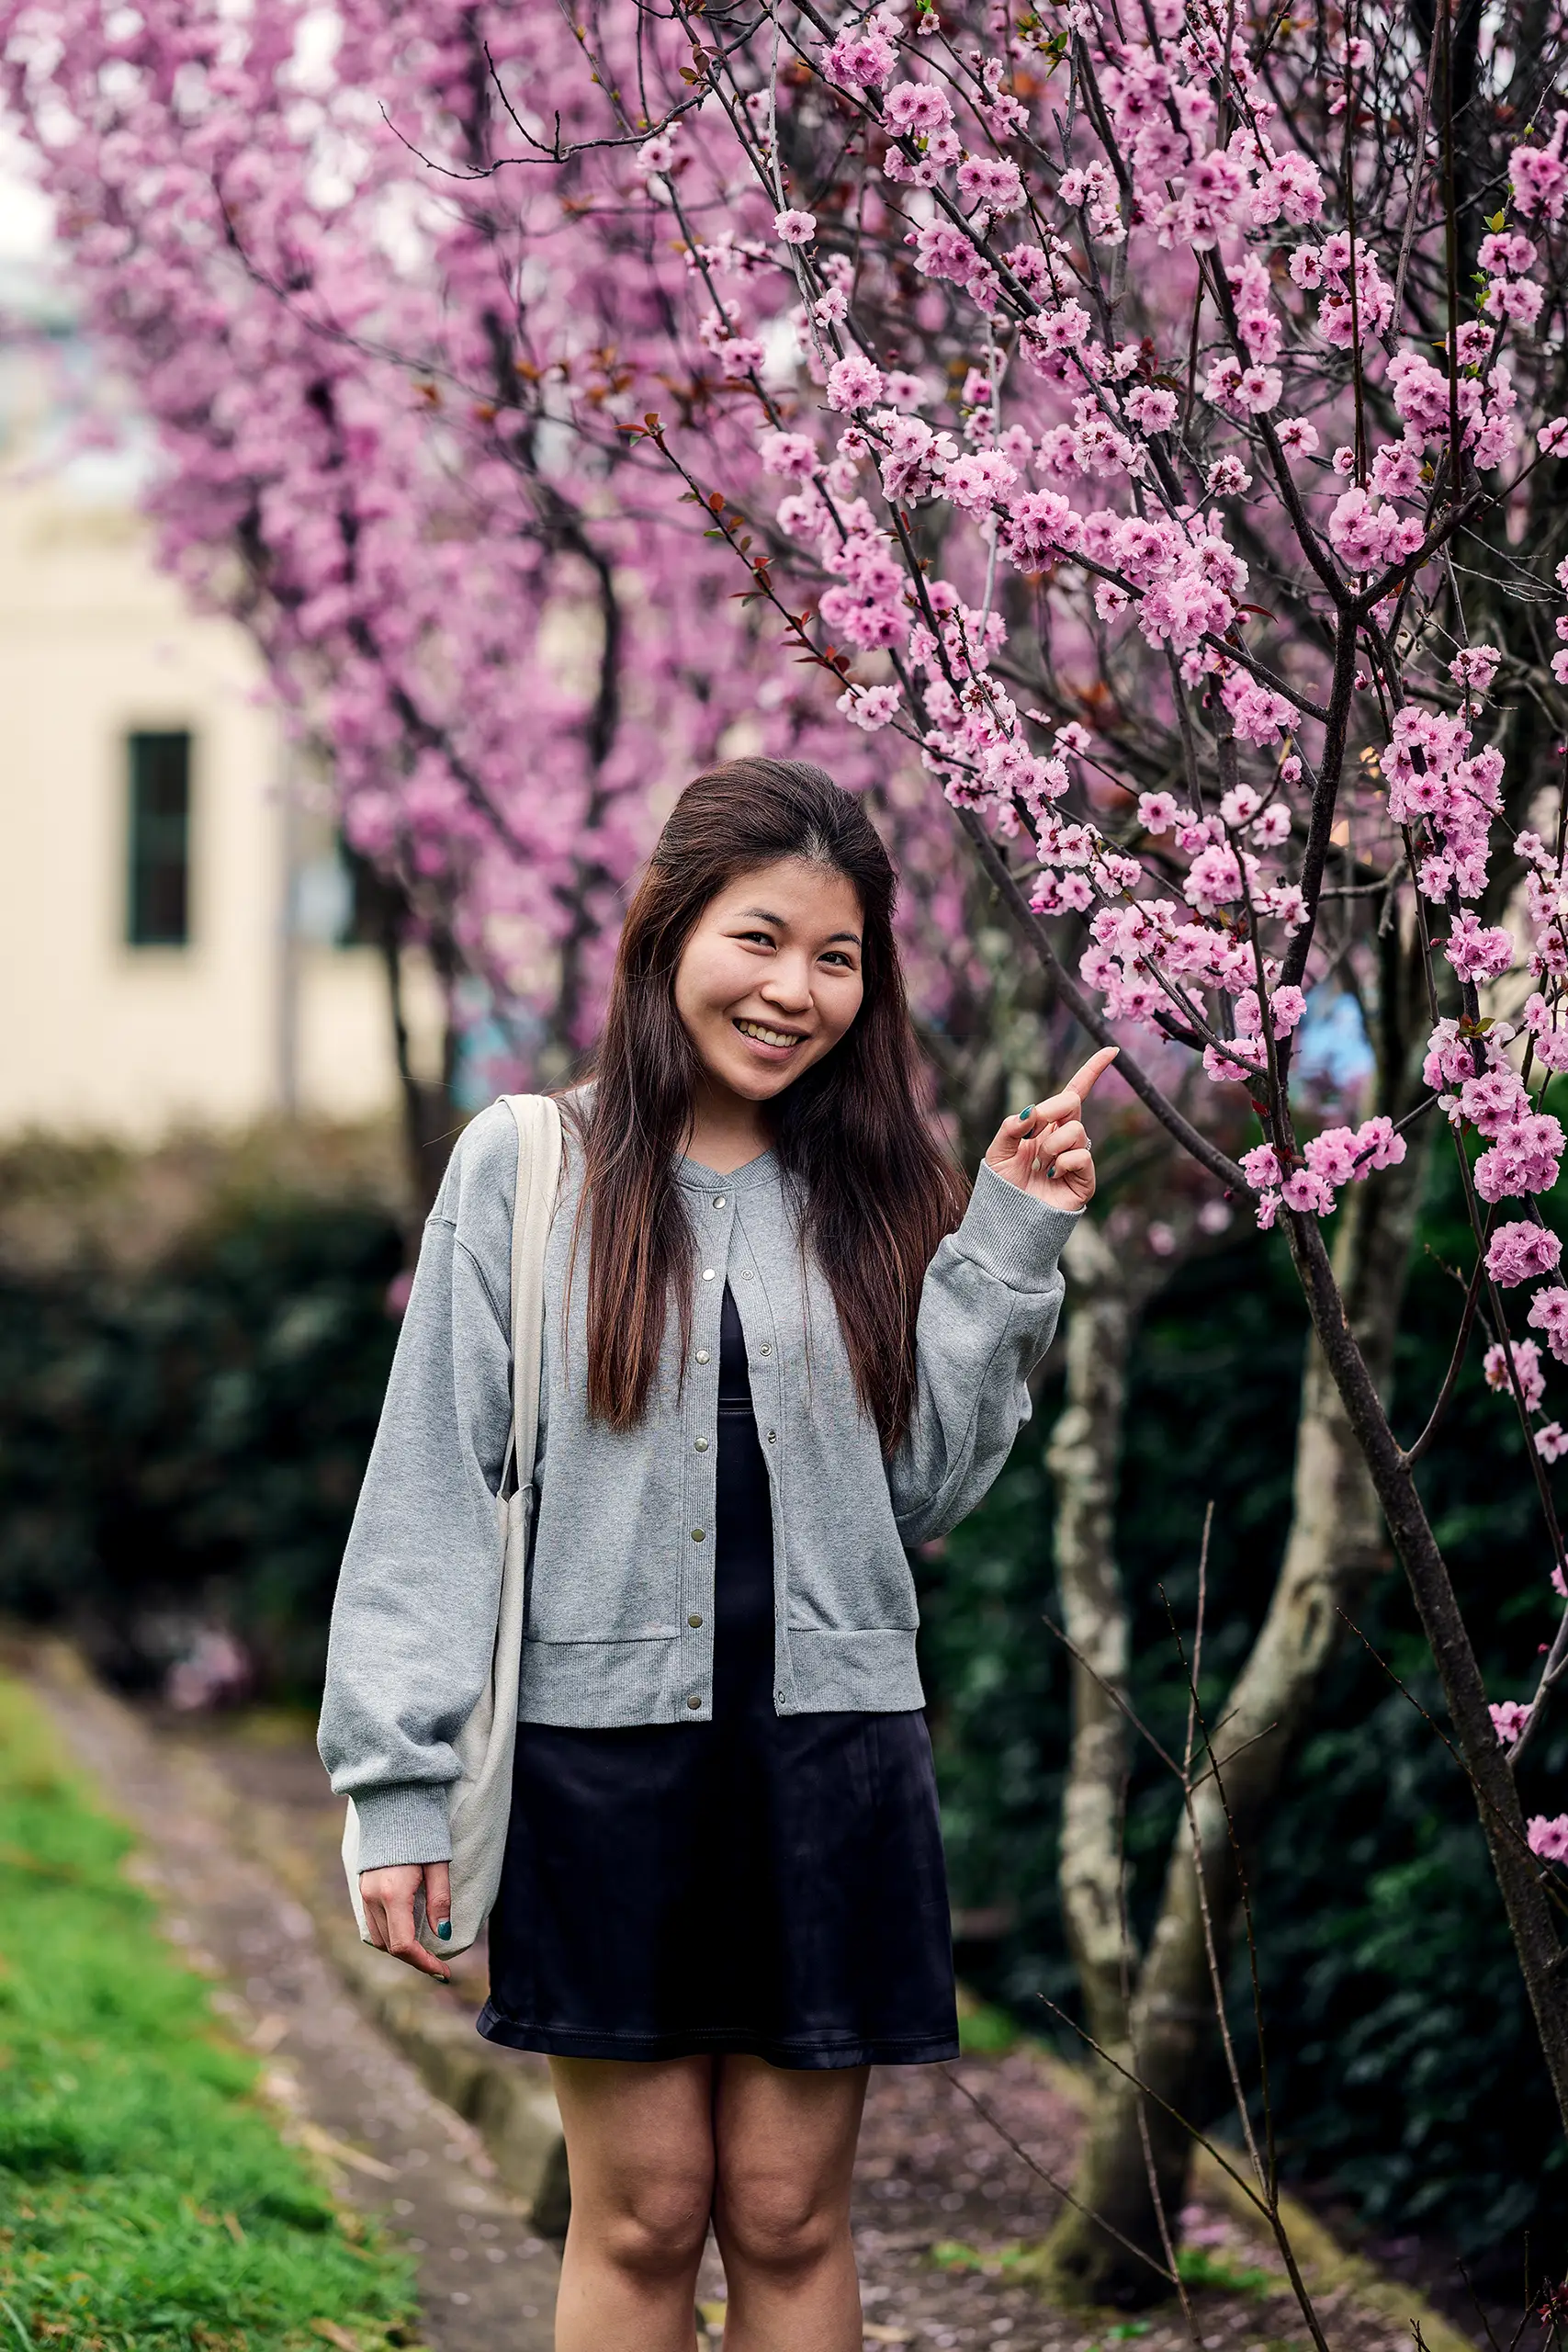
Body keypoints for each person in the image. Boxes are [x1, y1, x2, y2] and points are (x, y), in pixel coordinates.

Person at [318, 757, 1114, 2352]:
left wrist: (1008, 1241)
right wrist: (394, 1785)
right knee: (639, 2215)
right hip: (602, 1763)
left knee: (790, 2217)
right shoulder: (530, 1165)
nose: (794, 990)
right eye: (760, 939)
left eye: (837, 957)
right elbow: (433, 1482)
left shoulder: (873, 1188)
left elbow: (924, 1496)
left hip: (833, 1760)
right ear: (668, 929)